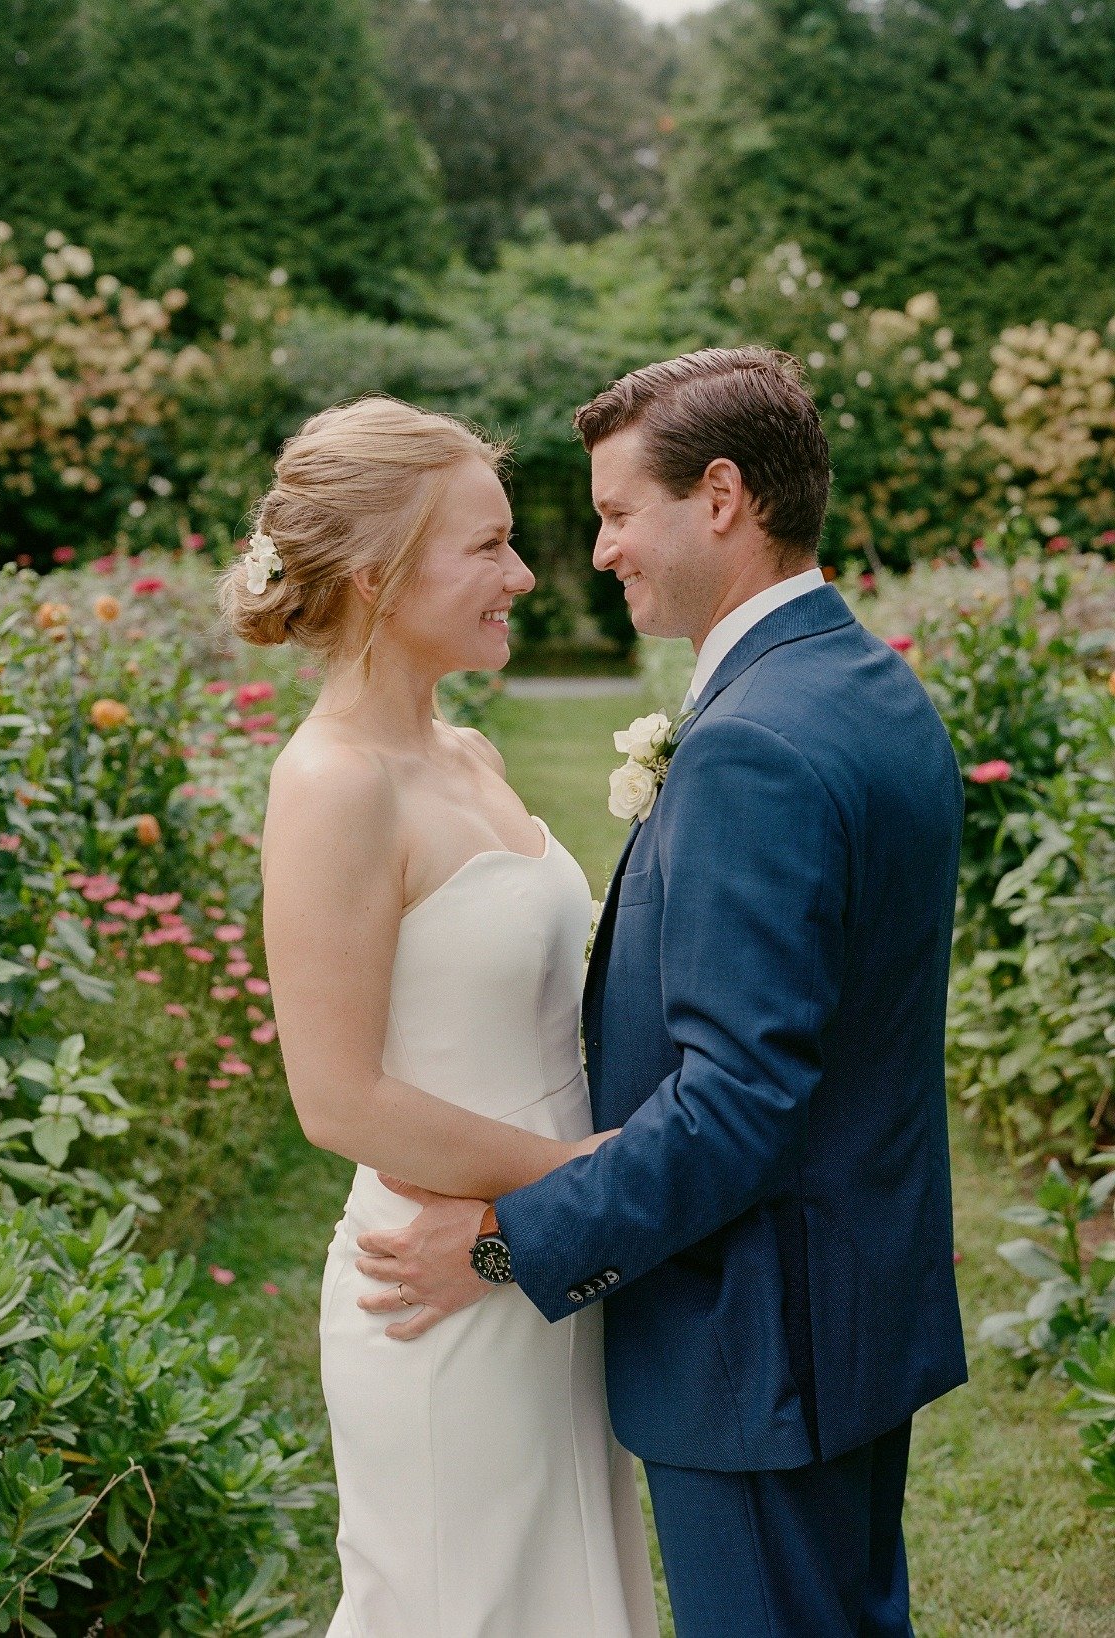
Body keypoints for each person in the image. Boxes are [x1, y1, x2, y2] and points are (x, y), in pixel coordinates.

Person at [357, 348, 969, 1636]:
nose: (601, 549)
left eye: (620, 512)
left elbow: (737, 1103)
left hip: (760, 1340)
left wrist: (501, 1240)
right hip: (850, 1306)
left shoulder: (753, 739)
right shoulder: (867, 685)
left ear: (725, 496)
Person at [219, 395, 659, 1638]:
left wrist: (552, 1224)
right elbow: (337, 1097)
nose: (523, 573)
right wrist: (587, 1182)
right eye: (488, 546)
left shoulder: (468, 755)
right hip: (439, 1288)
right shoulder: (330, 785)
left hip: (528, 1265)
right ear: (374, 576)